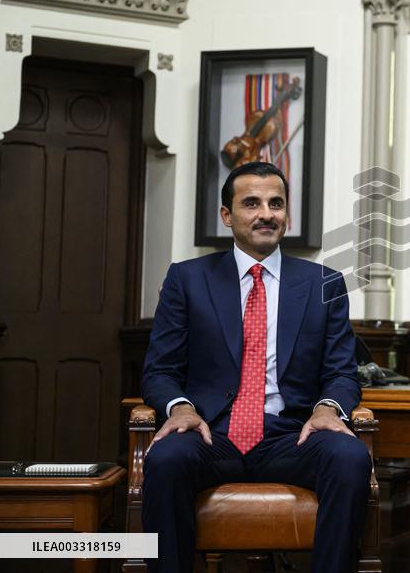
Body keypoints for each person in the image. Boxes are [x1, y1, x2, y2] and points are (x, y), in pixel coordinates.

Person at [141, 161, 370, 573]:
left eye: (276, 203)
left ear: (287, 214)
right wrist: (180, 408)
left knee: (350, 456)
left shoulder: (324, 284)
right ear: (227, 216)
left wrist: (326, 409)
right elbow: (160, 370)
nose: (267, 213)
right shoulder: (188, 279)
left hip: (291, 436)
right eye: (252, 203)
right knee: (166, 459)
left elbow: (342, 372)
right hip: (212, 434)